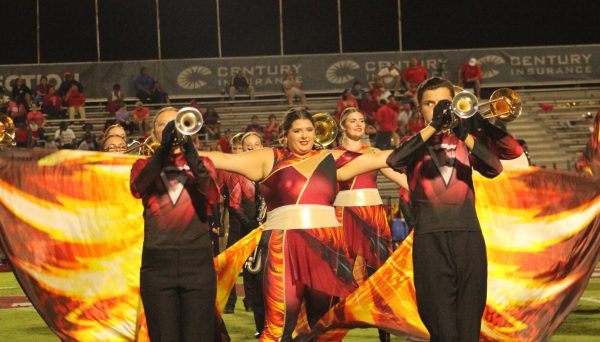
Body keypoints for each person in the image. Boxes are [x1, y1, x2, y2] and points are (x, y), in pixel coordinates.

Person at [385, 77, 503, 341]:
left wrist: (462, 132)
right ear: (420, 110)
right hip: (430, 239)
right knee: (442, 329)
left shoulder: (465, 140)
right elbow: (394, 160)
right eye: (429, 104)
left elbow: (495, 167)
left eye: (443, 103)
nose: (437, 108)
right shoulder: (413, 142)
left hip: (468, 237)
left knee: (469, 328)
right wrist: (434, 125)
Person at [130, 107, 219, 341]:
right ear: (153, 131)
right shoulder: (142, 164)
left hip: (197, 262)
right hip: (158, 264)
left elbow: (210, 194)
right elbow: (139, 187)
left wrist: (189, 149)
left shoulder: (205, 163)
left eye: (175, 124)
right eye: (163, 125)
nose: (171, 129)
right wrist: (163, 151)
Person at [334, 107, 409, 342]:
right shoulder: (331, 155)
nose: (358, 124)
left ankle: (384, 335)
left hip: (374, 216)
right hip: (343, 216)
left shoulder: (375, 152)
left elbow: (402, 179)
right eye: (353, 121)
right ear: (342, 126)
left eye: (362, 120)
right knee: (338, 276)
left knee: (379, 275)